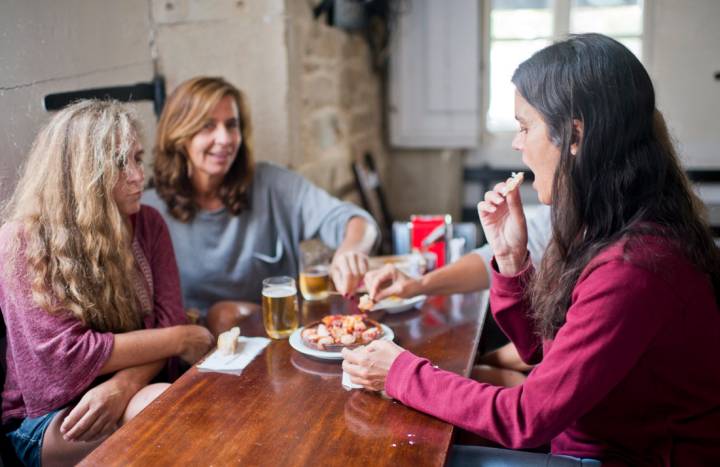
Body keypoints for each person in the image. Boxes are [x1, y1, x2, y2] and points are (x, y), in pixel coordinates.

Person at [342, 33, 720, 465]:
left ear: (574, 135)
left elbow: (526, 418)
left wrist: (399, 372)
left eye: (525, 127)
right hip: (581, 442)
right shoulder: (608, 224)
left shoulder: (636, 265)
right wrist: (511, 260)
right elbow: (546, 356)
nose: (517, 144)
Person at [0, 100, 215, 467]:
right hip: (49, 416)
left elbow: (166, 321)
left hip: (136, 385)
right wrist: (181, 339)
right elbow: (62, 359)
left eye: (137, 158)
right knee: (155, 434)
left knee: (176, 411)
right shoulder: (21, 240)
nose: (137, 176)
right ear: (81, 172)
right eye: (119, 163)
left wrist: (122, 386)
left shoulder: (148, 223)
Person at [142, 76, 378, 336]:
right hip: (195, 358)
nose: (224, 139)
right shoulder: (148, 211)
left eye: (231, 125)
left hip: (275, 345)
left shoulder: (272, 184)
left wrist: (350, 251)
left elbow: (358, 221)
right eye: (207, 126)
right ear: (179, 134)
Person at [364, 206, 551, 387]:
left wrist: (408, 377)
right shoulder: (558, 212)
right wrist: (417, 285)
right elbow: (494, 259)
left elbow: (532, 397)